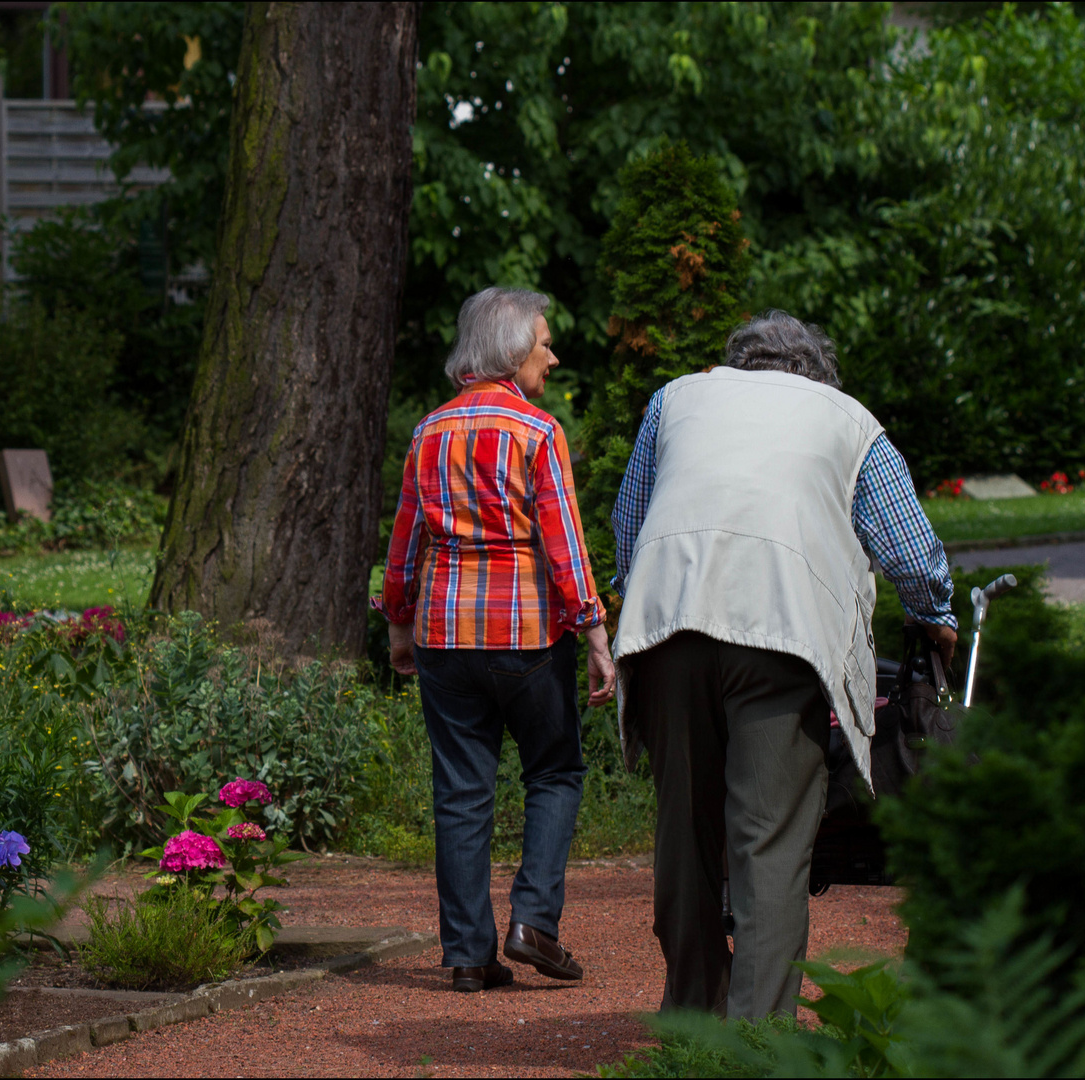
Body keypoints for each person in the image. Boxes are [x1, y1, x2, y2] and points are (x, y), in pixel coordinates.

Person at [610, 309, 958, 1019]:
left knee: (685, 831)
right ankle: (755, 1043)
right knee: (767, 842)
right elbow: (910, 550)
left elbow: (630, 523)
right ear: (817, 374)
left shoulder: (676, 399)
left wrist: (638, 601)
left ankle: (691, 1017)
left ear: (738, 364)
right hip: (783, 632)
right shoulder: (847, 420)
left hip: (667, 625)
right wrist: (936, 619)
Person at [374, 286, 617, 993]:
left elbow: (404, 543)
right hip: (529, 637)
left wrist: (398, 624)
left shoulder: (428, 433)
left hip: (446, 636)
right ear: (512, 353)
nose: (554, 354)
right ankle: (534, 921)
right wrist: (596, 634)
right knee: (555, 771)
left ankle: (470, 956)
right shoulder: (537, 432)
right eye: (545, 343)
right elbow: (564, 546)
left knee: (460, 792)